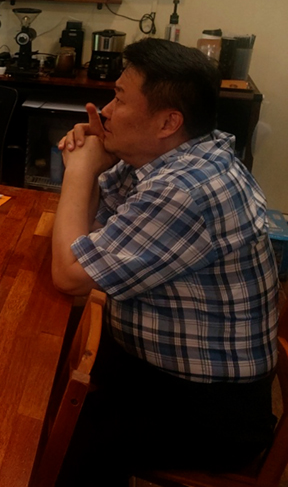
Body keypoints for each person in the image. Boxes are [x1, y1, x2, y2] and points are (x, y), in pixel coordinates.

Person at [51, 38, 279, 486]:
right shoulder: (186, 153)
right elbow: (95, 228)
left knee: (56, 427)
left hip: (211, 409)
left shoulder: (186, 189)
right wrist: (97, 162)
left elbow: (70, 274)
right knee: (48, 370)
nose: (105, 111)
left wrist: (79, 170)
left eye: (119, 98)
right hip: (167, 369)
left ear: (168, 122)